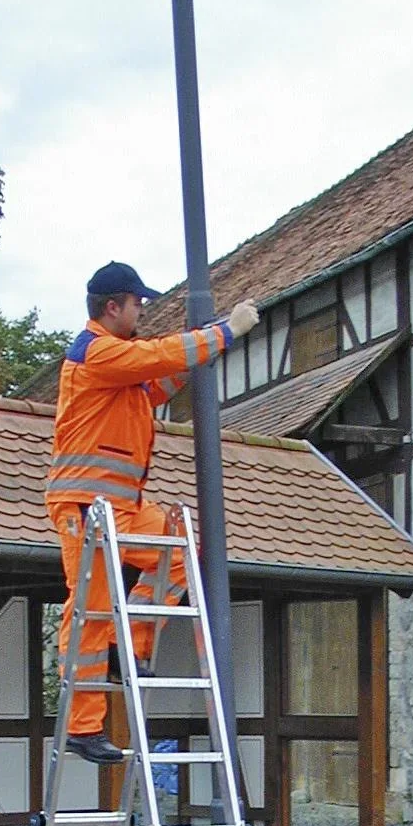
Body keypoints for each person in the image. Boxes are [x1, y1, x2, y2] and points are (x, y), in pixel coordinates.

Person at [47, 260, 260, 763]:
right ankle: (82, 727)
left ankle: (133, 644)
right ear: (111, 306)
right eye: (136, 302)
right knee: (92, 609)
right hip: (86, 505)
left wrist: (206, 344)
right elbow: (155, 357)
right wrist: (226, 332)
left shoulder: (118, 366)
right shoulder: (96, 351)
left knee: (184, 556)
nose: (142, 309)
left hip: (120, 505)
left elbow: (159, 377)